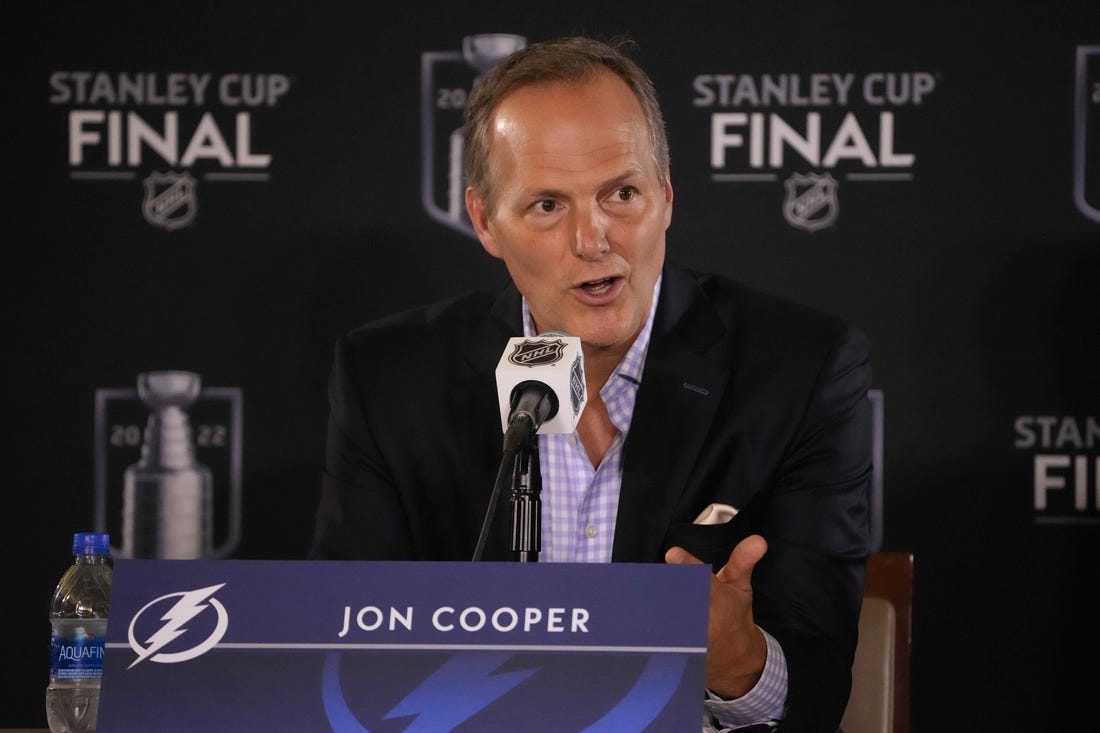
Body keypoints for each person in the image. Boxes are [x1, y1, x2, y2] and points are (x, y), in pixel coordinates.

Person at [310, 35, 872, 733]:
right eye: (548, 205)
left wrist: (740, 662)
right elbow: (343, 652)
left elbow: (816, 689)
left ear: (666, 194)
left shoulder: (800, 368)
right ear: (485, 220)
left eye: (622, 194)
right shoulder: (389, 378)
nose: (593, 238)